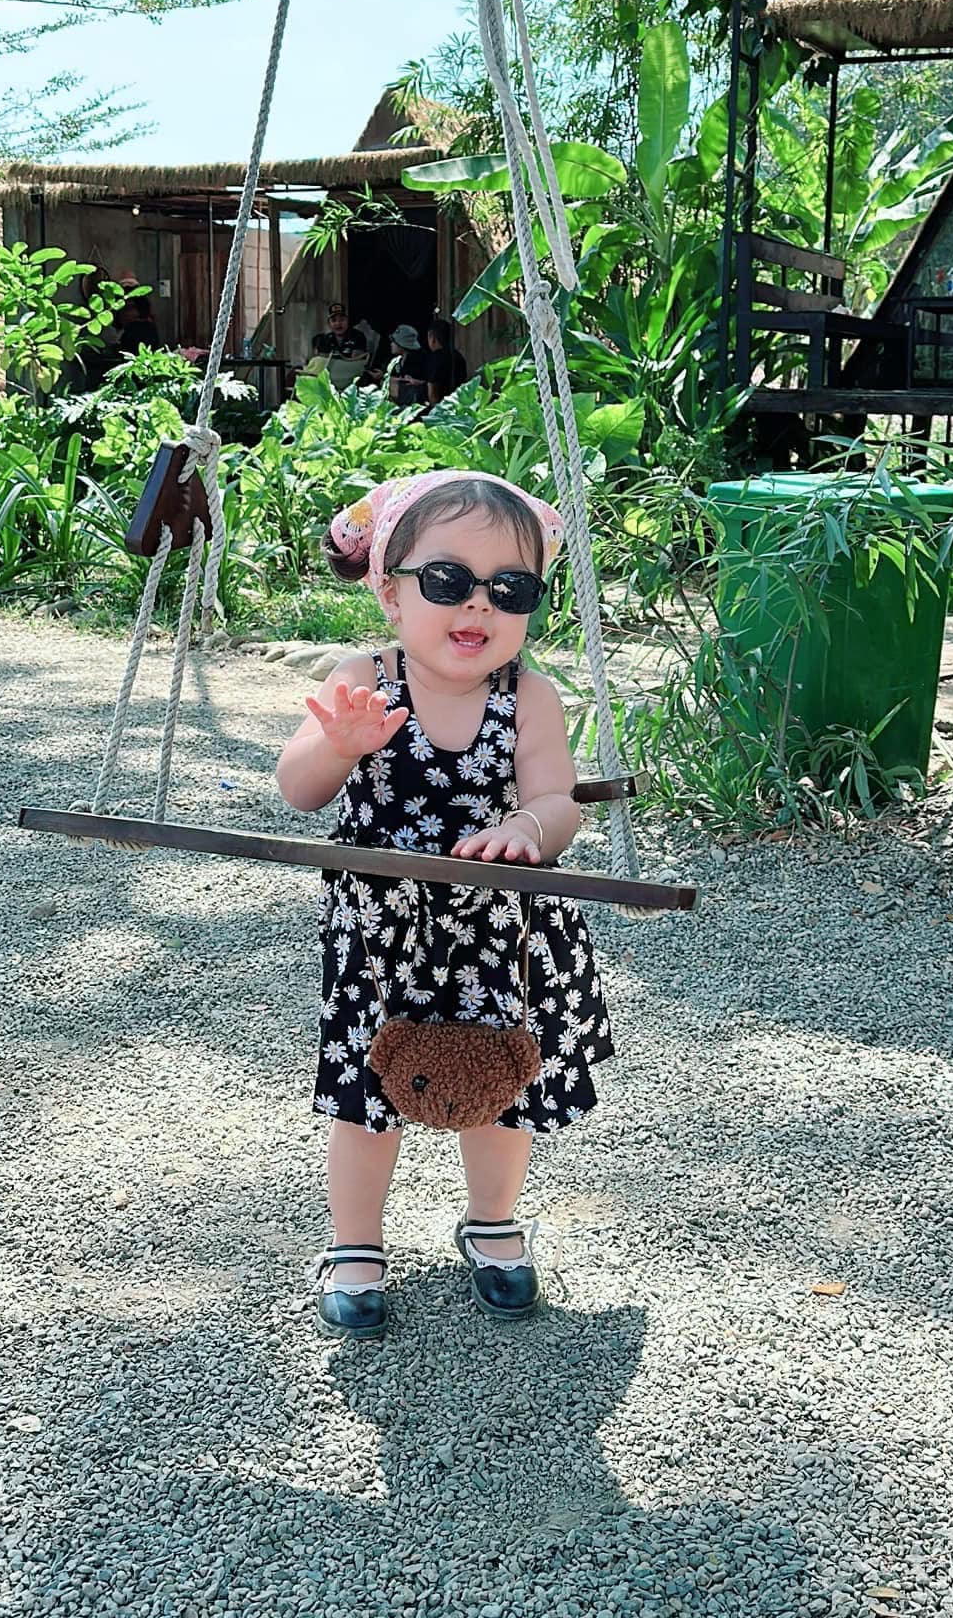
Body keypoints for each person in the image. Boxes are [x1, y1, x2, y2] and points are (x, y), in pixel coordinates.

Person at [276, 470, 613, 1340]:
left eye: (510, 589)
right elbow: (298, 790)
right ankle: (356, 1242)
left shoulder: (528, 696)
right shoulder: (363, 679)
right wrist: (339, 746)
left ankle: (493, 1220)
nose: (478, 604)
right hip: (383, 934)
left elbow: (557, 799)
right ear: (390, 593)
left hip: (499, 931)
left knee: (501, 1083)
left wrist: (528, 828)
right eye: (447, 579)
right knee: (365, 1090)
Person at [304, 305, 369, 387]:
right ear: (329, 324)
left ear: (347, 321)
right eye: (334, 321)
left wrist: (338, 358)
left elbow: (357, 359)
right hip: (329, 373)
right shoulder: (325, 339)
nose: (338, 324)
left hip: (349, 373)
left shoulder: (357, 336)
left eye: (342, 320)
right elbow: (322, 359)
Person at [425, 316, 468, 406]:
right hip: (458, 404)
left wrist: (435, 409)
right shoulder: (458, 356)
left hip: (442, 406)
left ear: (433, 339)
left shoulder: (435, 358)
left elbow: (432, 390)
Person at [386, 322, 429, 407]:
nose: (391, 344)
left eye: (394, 341)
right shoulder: (397, 361)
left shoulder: (417, 363)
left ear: (402, 344)